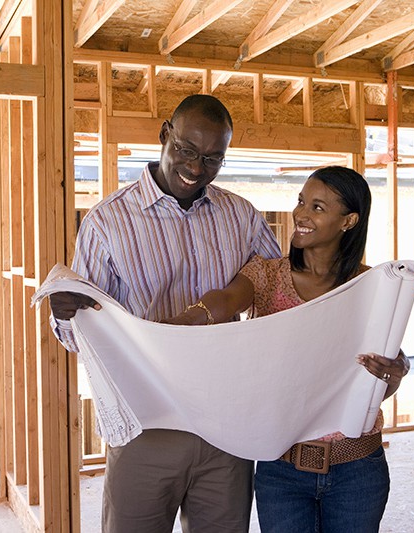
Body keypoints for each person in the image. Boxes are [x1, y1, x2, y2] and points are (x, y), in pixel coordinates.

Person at [48, 94, 282, 532]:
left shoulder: (242, 217)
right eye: (187, 151)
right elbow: (81, 338)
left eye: (213, 159)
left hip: (225, 425)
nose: (196, 168)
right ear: (164, 134)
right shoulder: (107, 223)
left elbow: (279, 290)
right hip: (145, 425)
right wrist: (66, 315)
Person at [165, 166, 410, 533]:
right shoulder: (267, 275)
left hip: (357, 469)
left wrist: (396, 371)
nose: (301, 215)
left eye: (317, 207)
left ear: (349, 221)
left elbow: (389, 363)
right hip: (282, 469)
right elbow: (227, 299)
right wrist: (185, 323)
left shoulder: (370, 285)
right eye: (300, 201)